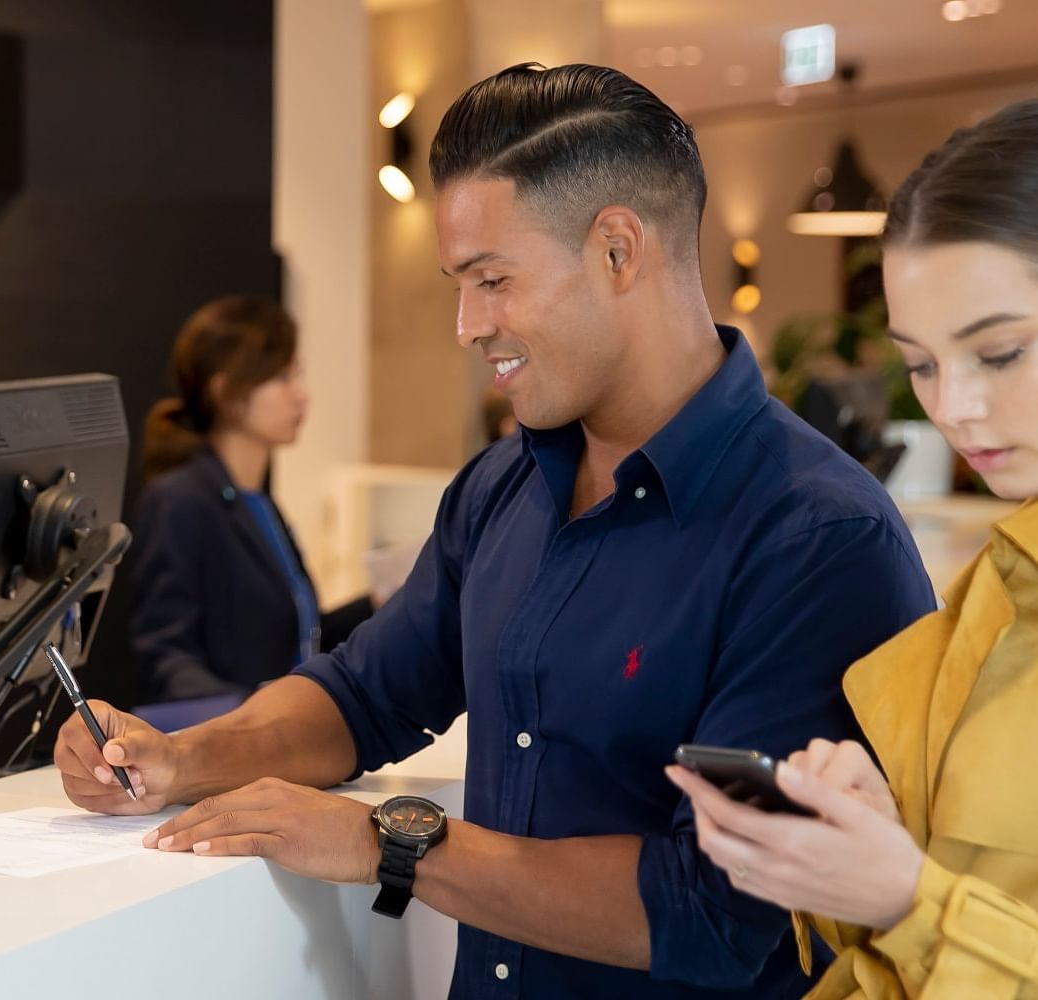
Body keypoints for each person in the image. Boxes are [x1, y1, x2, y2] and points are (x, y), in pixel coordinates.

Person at [53, 63, 936, 997]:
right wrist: (180, 758)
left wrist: (390, 845)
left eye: (493, 280)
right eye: (459, 284)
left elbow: (714, 913)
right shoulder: (501, 488)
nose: (468, 324)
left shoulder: (820, 538)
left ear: (618, 251)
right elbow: (365, 695)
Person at [670, 99, 1038, 998]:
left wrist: (909, 898)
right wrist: (869, 845)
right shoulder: (998, 584)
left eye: (999, 354)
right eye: (921, 363)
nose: (952, 408)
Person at [131, 295, 371, 704]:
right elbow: (165, 658)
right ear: (226, 393)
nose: (302, 395)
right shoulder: (179, 500)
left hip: (277, 745)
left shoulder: (258, 503)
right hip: (226, 750)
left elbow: (302, 640)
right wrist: (250, 717)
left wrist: (379, 602)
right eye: (281, 377)